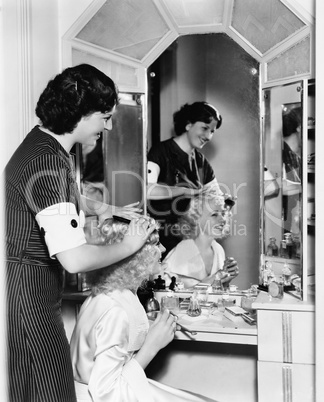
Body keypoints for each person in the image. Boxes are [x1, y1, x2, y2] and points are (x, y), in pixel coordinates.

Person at [4, 64, 155, 402]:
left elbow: (51, 198)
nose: (109, 125)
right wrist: (131, 243)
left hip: (32, 292)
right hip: (31, 299)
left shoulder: (45, 146)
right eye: (105, 116)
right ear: (82, 113)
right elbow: (74, 259)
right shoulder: (48, 163)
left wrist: (101, 208)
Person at [70, 216, 217, 402]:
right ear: (135, 254)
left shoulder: (106, 296)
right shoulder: (115, 311)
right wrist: (151, 346)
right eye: (155, 244)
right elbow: (107, 395)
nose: (163, 249)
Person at [147, 102, 227, 257]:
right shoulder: (161, 152)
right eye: (205, 128)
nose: (209, 136)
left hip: (189, 240)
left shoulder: (201, 162)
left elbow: (216, 196)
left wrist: (224, 201)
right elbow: (147, 190)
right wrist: (183, 190)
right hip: (161, 239)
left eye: (212, 131)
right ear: (188, 124)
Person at [161, 189, 239, 289]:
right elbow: (167, 296)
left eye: (223, 214)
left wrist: (227, 278)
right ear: (196, 218)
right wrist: (215, 278)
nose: (223, 220)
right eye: (214, 214)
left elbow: (216, 294)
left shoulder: (218, 250)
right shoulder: (181, 251)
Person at [282, 107, 302, 235]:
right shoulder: (279, 151)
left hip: (290, 226)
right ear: (300, 128)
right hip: (278, 227)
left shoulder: (295, 156)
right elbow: (280, 186)